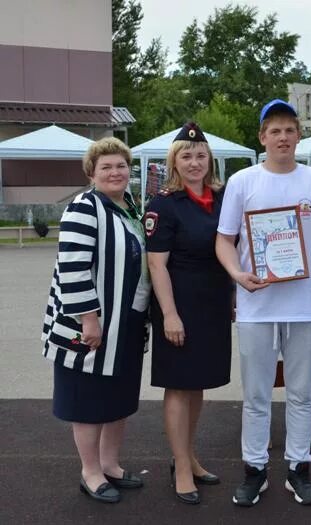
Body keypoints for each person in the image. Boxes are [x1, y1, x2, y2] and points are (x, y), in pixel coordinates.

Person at [215, 99, 311, 508]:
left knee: (301, 394)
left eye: (289, 130)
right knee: (256, 395)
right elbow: (224, 240)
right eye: (274, 131)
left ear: (299, 136)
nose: (282, 137)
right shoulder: (243, 182)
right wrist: (238, 275)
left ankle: (299, 468)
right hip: (257, 305)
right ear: (262, 137)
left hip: (305, 306)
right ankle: (254, 470)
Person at [42, 137, 150, 504]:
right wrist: (89, 319)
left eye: (121, 166)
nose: (115, 172)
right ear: (92, 173)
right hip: (92, 326)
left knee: (117, 397)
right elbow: (72, 268)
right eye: (106, 167)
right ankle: (90, 472)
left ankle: (111, 464)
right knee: (88, 401)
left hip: (127, 323)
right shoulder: (84, 207)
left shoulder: (131, 208)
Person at [145, 122, 232, 505]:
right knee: (179, 385)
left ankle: (190, 456)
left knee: (197, 385)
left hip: (212, 304)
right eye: (186, 156)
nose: (194, 162)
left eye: (200, 155)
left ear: (209, 158)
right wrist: (169, 315)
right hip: (179, 304)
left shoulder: (222, 196)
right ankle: (181, 466)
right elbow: (157, 265)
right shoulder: (164, 203)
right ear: (174, 162)